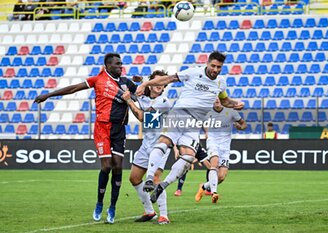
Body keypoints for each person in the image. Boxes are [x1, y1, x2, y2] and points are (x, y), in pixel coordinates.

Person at [34, 53, 137, 224]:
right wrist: (49, 95)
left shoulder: (126, 82)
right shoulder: (97, 79)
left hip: (119, 129)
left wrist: (140, 88)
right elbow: (73, 88)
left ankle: (112, 207)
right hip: (102, 128)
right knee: (106, 165)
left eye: (121, 64)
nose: (121, 66)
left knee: (118, 167)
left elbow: (141, 93)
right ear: (108, 66)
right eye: (118, 64)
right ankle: (99, 203)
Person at [135, 51, 245, 203]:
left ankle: (162, 186)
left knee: (188, 158)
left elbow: (225, 101)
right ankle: (149, 178)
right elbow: (170, 78)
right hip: (180, 114)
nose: (215, 70)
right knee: (164, 142)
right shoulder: (194, 72)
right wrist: (146, 83)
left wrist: (236, 104)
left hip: (195, 124)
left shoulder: (221, 82)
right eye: (213, 66)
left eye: (219, 67)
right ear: (207, 63)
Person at [124, 70, 172, 224]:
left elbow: (142, 117)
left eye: (162, 83)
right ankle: (150, 211)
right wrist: (139, 79)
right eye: (156, 83)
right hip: (146, 144)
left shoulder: (163, 102)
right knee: (134, 178)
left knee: (156, 178)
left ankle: (164, 215)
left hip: (161, 145)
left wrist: (129, 101)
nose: (159, 85)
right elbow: (145, 80)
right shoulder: (145, 95)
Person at [195, 98, 247, 203]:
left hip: (225, 146)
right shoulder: (206, 112)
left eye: (219, 97)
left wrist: (239, 127)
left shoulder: (231, 112)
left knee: (221, 177)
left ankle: (204, 186)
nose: (217, 99)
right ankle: (214, 193)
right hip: (213, 143)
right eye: (214, 97)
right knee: (214, 164)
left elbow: (244, 124)